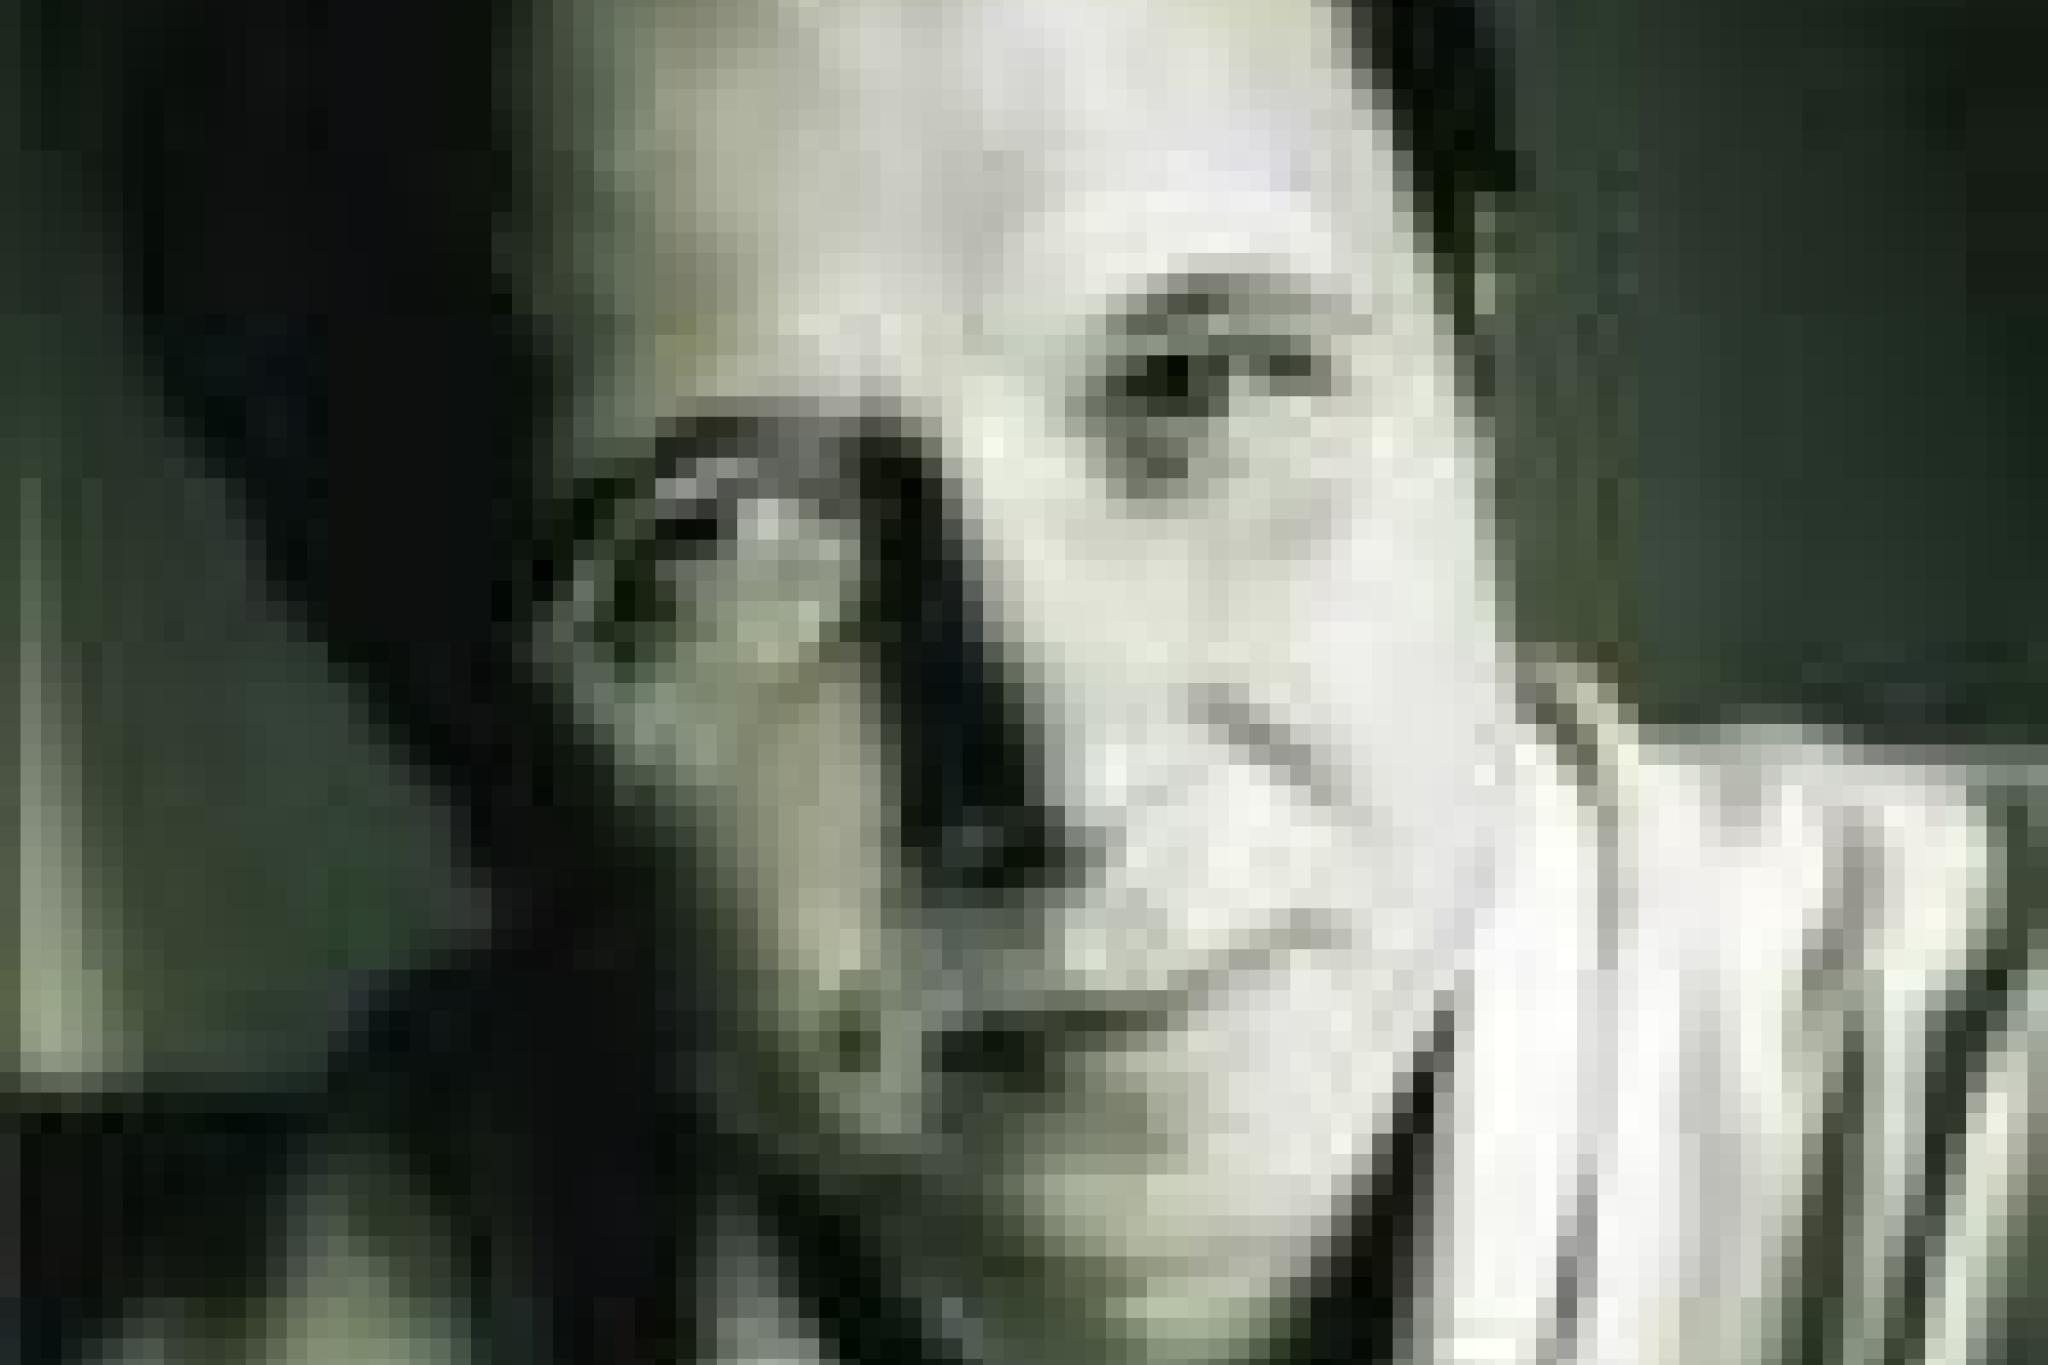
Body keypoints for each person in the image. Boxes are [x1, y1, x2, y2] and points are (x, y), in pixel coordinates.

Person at [33, 1, 2038, 1363]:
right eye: (725, 537)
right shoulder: (372, 1279)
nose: (1067, 765)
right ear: (441, 709)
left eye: (1196, 386)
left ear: (1472, 360)